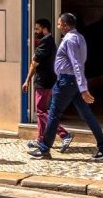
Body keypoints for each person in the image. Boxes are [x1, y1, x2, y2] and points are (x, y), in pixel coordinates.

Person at [29, 13, 103, 161]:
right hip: (72, 82)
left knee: (54, 114)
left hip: (66, 82)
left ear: (65, 25)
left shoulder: (70, 40)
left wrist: (83, 88)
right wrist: (81, 86)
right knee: (87, 115)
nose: (58, 26)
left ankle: (43, 149)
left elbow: (77, 64)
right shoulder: (79, 37)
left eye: (59, 24)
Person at [22, 19, 73, 151]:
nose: (35, 31)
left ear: (44, 29)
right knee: (41, 111)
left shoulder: (45, 43)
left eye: (37, 28)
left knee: (41, 111)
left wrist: (27, 80)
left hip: (44, 82)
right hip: (47, 80)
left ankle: (64, 134)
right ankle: (40, 139)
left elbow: (34, 63)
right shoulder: (48, 42)